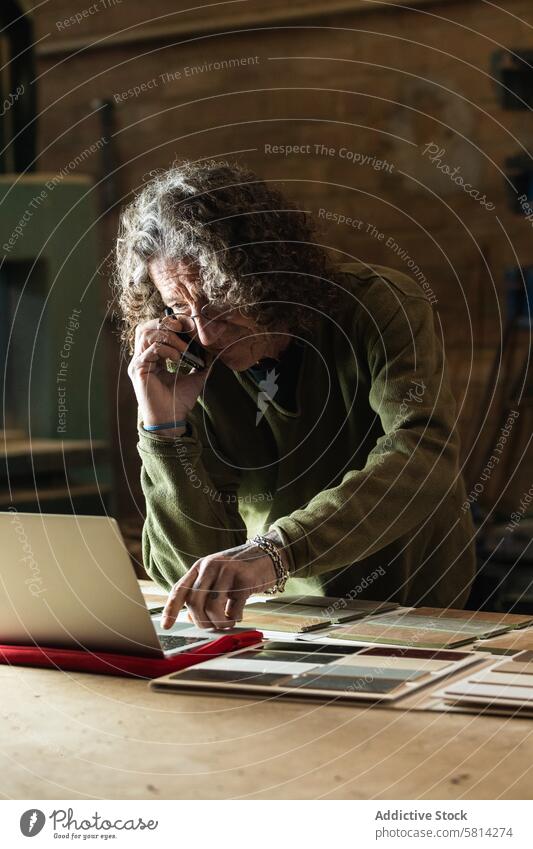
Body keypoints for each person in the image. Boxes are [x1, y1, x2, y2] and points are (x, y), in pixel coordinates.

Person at [113, 159, 476, 631]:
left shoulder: (381, 307)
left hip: (412, 604)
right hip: (280, 614)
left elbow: (422, 453)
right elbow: (186, 571)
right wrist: (163, 429)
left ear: (267, 275)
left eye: (220, 301)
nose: (204, 332)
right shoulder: (189, 364)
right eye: (179, 306)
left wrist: (276, 552)